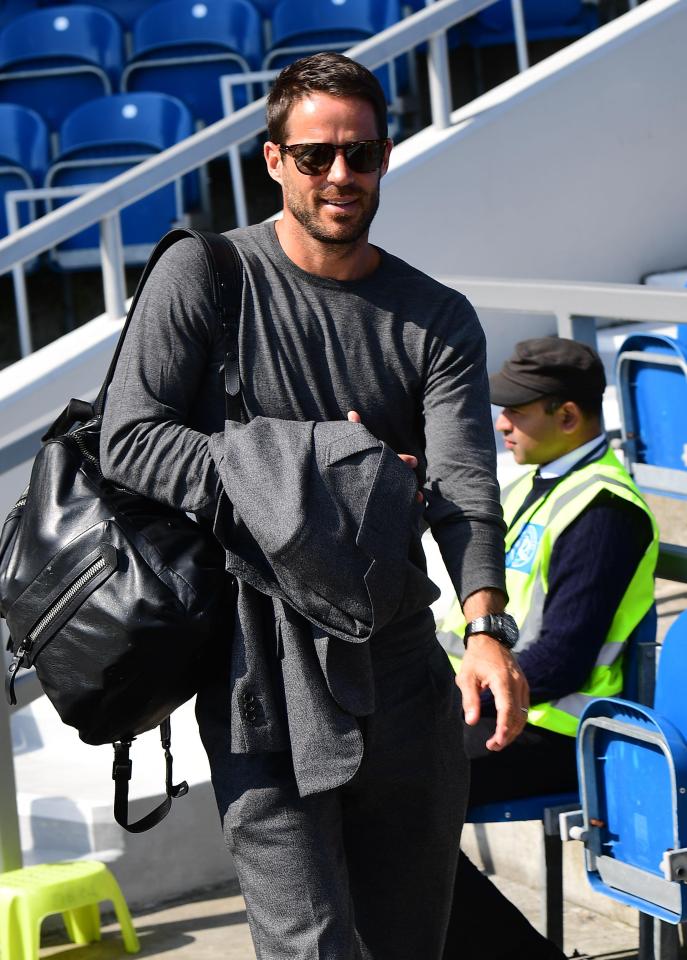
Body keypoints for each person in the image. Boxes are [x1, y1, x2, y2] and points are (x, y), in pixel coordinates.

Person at [99, 51, 528, 959]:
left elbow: (460, 488)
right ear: (271, 160)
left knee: (408, 942)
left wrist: (486, 627)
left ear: (383, 157)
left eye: (362, 154)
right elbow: (128, 441)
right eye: (315, 156)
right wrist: (333, 466)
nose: (340, 175)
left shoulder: (434, 316)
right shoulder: (206, 276)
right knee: (309, 947)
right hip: (258, 668)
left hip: (404, 669)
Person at [438, 336, 659, 960]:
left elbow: (561, 661)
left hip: (553, 730)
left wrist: (457, 696)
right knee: (363, 800)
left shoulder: (605, 510)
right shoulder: (527, 486)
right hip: (493, 713)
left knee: (396, 805)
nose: (500, 422)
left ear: (567, 416)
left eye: (517, 410)